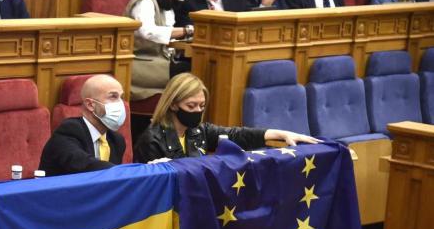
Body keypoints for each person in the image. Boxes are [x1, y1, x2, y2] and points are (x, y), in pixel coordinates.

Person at [134, 73, 318, 163]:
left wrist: (281, 133)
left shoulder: (198, 131)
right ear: (173, 104)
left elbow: (238, 135)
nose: (197, 111)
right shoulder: (152, 140)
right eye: (191, 106)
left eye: (201, 106)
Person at [124, 0, 194, 102]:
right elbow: (148, 31)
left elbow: (167, 35)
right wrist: (187, 31)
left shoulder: (164, 2)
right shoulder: (145, 0)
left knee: (198, 65)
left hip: (159, 60)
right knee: (189, 73)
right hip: (139, 63)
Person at [39, 75, 127, 176]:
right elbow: (84, 165)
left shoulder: (117, 140)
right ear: (90, 105)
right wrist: (127, 171)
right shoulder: (69, 131)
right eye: (113, 97)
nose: (121, 103)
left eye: (121, 97)